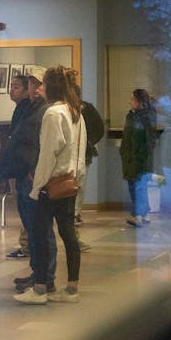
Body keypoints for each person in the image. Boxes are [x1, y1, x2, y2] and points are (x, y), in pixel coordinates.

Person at [16, 65, 85, 305]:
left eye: (43, 84)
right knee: (68, 235)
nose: (40, 88)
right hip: (69, 183)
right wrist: (77, 179)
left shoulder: (53, 114)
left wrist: (37, 186)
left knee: (41, 235)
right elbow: (79, 153)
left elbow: (47, 154)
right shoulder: (75, 111)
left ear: (50, 86)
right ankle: (72, 288)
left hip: (50, 185)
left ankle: (41, 288)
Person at [0, 73, 45, 262]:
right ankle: (28, 249)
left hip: (25, 170)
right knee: (24, 211)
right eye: (11, 86)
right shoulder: (22, 109)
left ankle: (30, 251)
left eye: (16, 87)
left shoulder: (32, 110)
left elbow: (28, 143)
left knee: (31, 215)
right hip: (18, 168)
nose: (11, 90)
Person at [66, 68, 105, 228]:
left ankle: (75, 213)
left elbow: (99, 128)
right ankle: (69, 212)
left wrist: (89, 142)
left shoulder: (87, 109)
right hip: (68, 153)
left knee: (80, 183)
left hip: (85, 152)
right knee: (68, 183)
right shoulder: (63, 110)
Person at [120, 87, 159, 226]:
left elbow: (149, 140)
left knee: (139, 187)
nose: (129, 102)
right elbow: (127, 137)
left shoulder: (147, 116)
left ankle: (138, 215)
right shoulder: (132, 115)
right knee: (135, 186)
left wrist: (142, 155)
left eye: (132, 99)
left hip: (140, 158)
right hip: (130, 157)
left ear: (139, 101)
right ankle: (144, 213)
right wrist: (124, 152)